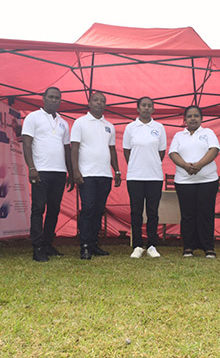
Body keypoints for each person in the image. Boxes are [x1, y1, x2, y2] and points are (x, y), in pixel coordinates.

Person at [22, 86, 74, 262]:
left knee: (54, 209)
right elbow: (27, 144)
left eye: (57, 98)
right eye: (51, 97)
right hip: (40, 171)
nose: (54, 100)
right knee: (38, 208)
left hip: (59, 172)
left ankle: (47, 243)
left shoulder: (63, 123)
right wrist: (31, 168)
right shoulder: (33, 117)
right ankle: (37, 247)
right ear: (43, 98)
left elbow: (67, 149)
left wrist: (70, 172)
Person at [71, 91, 121, 260]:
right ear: (89, 103)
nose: (99, 103)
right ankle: (84, 246)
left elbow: (112, 150)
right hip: (87, 175)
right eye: (96, 100)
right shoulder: (80, 123)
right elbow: (74, 148)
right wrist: (75, 171)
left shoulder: (109, 126)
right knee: (88, 209)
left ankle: (93, 243)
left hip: (105, 175)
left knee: (99, 210)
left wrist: (117, 171)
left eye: (102, 101)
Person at [168, 105, 220, 258]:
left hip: (208, 181)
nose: (193, 119)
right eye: (189, 116)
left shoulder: (208, 132)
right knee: (187, 215)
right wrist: (185, 166)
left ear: (201, 118)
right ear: (185, 119)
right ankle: (188, 247)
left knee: (206, 214)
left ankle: (208, 247)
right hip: (184, 181)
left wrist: (199, 165)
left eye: (196, 116)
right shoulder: (179, 135)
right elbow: (173, 153)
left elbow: (214, 150)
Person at [123, 97, 167, 259]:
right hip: (135, 176)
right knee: (136, 212)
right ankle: (137, 245)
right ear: (138, 108)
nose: (146, 108)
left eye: (149, 106)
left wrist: (151, 163)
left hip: (154, 176)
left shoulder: (159, 127)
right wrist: (137, 165)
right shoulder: (130, 128)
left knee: (152, 212)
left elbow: (161, 152)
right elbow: (127, 151)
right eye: (143, 105)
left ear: (153, 109)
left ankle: (152, 245)